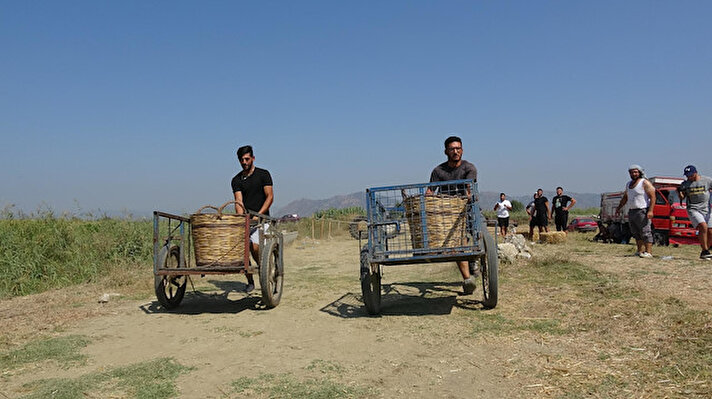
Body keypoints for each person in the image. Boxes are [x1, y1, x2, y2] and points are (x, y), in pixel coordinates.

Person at [428, 136, 478, 295]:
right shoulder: (438, 171)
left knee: (478, 235)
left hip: (467, 209)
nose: (455, 152)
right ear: (446, 151)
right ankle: (467, 279)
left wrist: (468, 197)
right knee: (458, 242)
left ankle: (474, 259)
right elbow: (430, 192)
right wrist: (427, 201)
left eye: (458, 148)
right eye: (452, 149)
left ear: (462, 150)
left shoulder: (468, 168)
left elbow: (470, 189)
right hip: (447, 213)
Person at [231, 145, 274, 292]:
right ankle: (250, 280)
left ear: (253, 158)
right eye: (241, 160)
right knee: (241, 248)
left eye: (247, 159)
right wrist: (240, 218)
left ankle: (264, 269)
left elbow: (270, 197)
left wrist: (258, 215)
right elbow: (239, 202)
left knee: (254, 246)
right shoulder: (236, 180)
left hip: (262, 220)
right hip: (247, 220)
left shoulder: (263, 175)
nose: (244, 162)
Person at [615, 164, 655, 258]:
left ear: (639, 172)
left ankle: (649, 252)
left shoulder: (645, 182)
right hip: (632, 210)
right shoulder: (629, 184)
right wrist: (619, 207)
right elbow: (625, 197)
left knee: (645, 231)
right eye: (631, 172)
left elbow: (653, 197)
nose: (633, 174)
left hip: (642, 210)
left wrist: (650, 211)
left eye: (635, 172)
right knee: (636, 232)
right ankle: (639, 251)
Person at [677, 165, 712, 260]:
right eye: (687, 176)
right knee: (703, 226)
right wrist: (680, 193)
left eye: (690, 175)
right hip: (693, 208)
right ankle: (705, 250)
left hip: (707, 209)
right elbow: (682, 197)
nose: (689, 177)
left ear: (695, 173)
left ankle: (705, 251)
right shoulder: (685, 184)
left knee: (710, 231)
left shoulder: (707, 180)